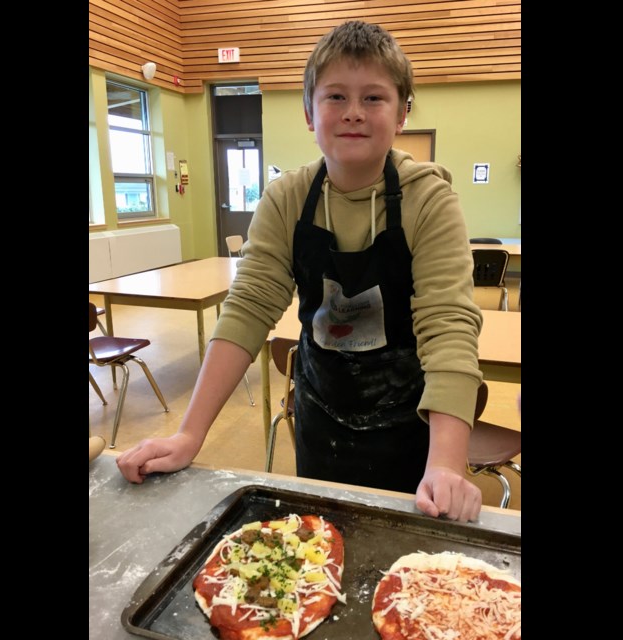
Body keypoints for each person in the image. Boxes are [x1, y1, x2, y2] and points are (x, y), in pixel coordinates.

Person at [118, 20, 485, 522]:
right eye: (335, 96)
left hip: (412, 429)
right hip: (322, 415)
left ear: (402, 113)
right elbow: (248, 309)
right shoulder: (287, 198)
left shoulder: (430, 200)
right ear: (310, 113)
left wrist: (445, 464)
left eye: (374, 98)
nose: (353, 112)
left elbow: (449, 327)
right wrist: (189, 434)